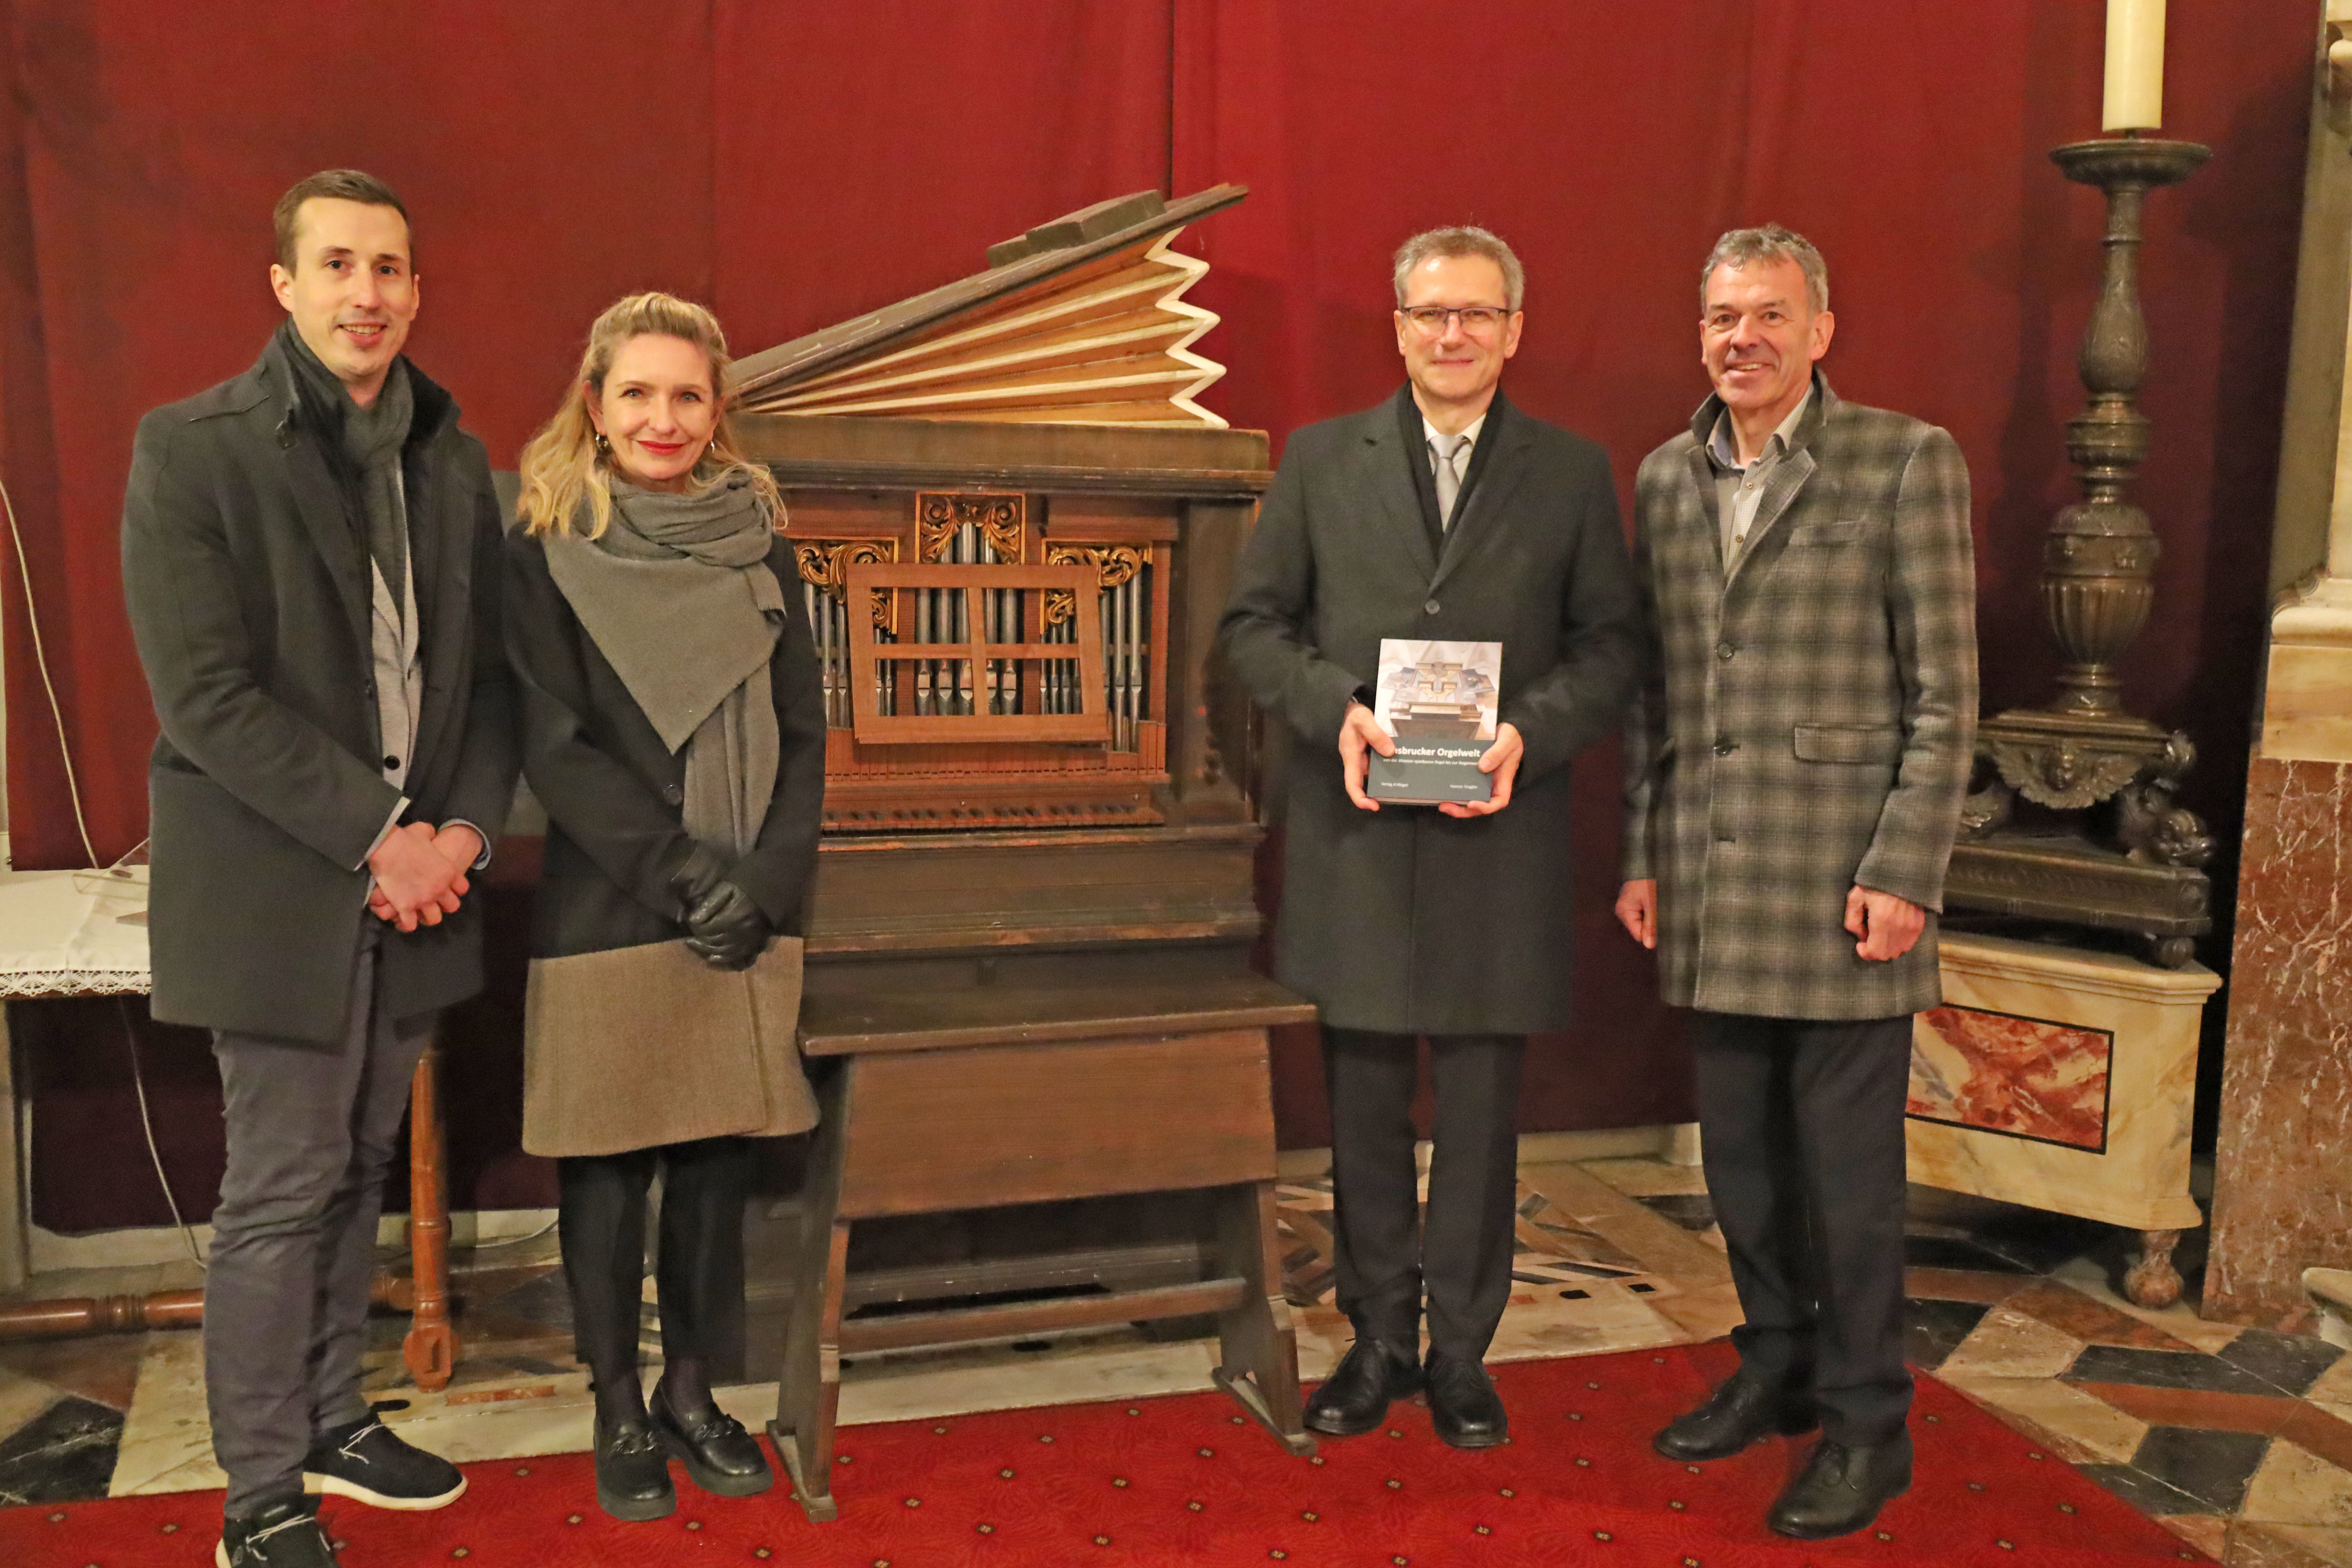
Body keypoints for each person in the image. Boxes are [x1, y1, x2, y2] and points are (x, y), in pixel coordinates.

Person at [121, 169, 517, 1567]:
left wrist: (458, 837)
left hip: (421, 886)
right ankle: (260, 1492)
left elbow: (492, 690)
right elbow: (206, 699)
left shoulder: (455, 460)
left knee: (360, 1169)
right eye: (340, 265)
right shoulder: (193, 448)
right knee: (283, 1188)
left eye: (393, 269)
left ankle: (339, 1419)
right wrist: (379, 837)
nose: (370, 294)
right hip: (283, 885)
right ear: (283, 286)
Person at [1218, 227, 1642, 1447]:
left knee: (1477, 1115)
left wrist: (1530, 735)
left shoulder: (1569, 473)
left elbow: (1611, 649)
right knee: (1359, 1109)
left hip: (1497, 835)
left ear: (1515, 329)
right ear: (1398, 327)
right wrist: (1336, 713)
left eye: (1477, 313)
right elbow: (1251, 630)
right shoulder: (1315, 461)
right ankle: (1376, 1341)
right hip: (1355, 833)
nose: (1451, 333)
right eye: (1429, 313)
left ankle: (1462, 1352)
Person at [1616, 224, 1977, 1540]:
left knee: (1848, 1178)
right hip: (1714, 884)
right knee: (1742, 1167)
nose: (1742, 339)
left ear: (1822, 331)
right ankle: (1774, 1366)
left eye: (1771, 315)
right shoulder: (1665, 478)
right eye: (1722, 317)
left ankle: (1869, 1421)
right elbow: (1661, 692)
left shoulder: (1903, 460)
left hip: (1845, 889)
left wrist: (1905, 873)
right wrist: (1644, 853)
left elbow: (1947, 696)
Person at [505, 292, 827, 1523]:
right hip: (615, 892)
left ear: (718, 410)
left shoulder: (764, 543)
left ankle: (695, 1391)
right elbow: (553, 739)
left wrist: (762, 881)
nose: (663, 417)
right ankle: (619, 1402)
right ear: (594, 404)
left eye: (687, 395)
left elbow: (804, 733)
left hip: (744, 894)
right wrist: (683, 875)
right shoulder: (542, 544)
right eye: (637, 393)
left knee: (711, 1162)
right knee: (607, 1165)